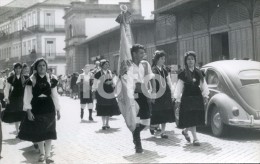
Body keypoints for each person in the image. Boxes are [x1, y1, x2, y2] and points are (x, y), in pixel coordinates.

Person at [18, 58, 61, 163]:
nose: (42, 67)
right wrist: (28, 111)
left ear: (46, 67)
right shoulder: (31, 80)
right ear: (36, 68)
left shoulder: (51, 79)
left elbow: (55, 96)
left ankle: (48, 155)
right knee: (39, 132)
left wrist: (58, 109)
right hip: (36, 108)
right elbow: (27, 97)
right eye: (40, 66)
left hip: (49, 107)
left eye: (44, 65)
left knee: (49, 132)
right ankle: (42, 154)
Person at [121, 44, 154, 153]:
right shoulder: (129, 66)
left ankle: (135, 135)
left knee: (146, 121)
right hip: (133, 95)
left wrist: (150, 92)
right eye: (140, 53)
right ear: (134, 54)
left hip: (144, 94)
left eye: (143, 53)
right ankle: (138, 144)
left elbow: (148, 79)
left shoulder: (144, 65)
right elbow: (126, 82)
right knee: (137, 120)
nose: (143, 55)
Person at [174, 51, 209, 146]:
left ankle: (185, 131)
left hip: (197, 97)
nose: (190, 61)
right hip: (187, 97)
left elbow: (203, 84)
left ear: (195, 61)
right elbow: (179, 87)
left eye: (192, 59)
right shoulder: (183, 73)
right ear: (186, 61)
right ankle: (195, 139)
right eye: (188, 59)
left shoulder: (199, 72)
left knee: (194, 117)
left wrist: (205, 95)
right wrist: (177, 99)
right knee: (191, 117)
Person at [150, 50, 175, 138]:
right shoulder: (153, 70)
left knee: (164, 112)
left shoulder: (165, 70)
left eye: (164, 59)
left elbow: (169, 81)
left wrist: (172, 92)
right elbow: (151, 83)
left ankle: (163, 132)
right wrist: (152, 95)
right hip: (157, 93)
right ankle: (153, 126)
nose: (163, 60)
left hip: (165, 93)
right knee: (157, 112)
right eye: (162, 59)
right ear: (157, 59)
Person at [92, 59, 120, 130]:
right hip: (101, 92)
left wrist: (111, 83)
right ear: (102, 65)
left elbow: (114, 81)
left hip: (109, 91)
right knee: (102, 107)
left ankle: (107, 123)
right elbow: (95, 84)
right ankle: (103, 124)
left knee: (108, 107)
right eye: (105, 64)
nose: (107, 66)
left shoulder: (110, 72)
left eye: (108, 64)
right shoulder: (98, 74)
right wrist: (94, 91)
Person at [3, 63, 28, 136]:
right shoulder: (11, 78)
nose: (18, 70)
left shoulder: (26, 77)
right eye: (16, 68)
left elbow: (29, 88)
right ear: (14, 69)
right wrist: (6, 98)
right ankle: (17, 132)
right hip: (14, 98)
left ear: (21, 69)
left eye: (19, 68)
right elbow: (6, 89)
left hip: (23, 98)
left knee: (24, 114)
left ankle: (22, 130)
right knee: (16, 115)